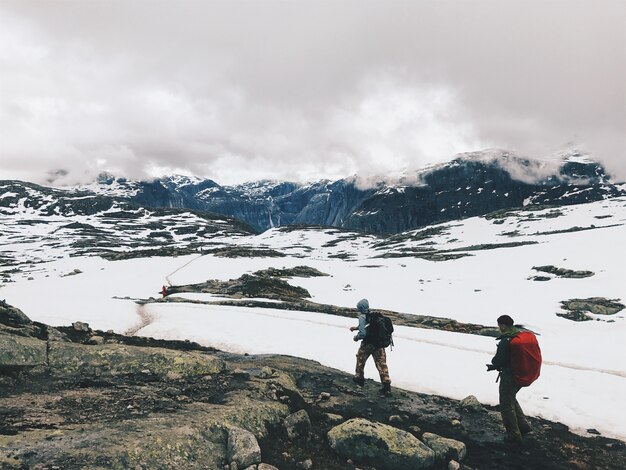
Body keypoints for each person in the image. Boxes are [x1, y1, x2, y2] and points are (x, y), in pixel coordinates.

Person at [488, 314, 533, 445]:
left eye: (499, 325)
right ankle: (524, 427)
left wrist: (494, 364)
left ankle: (513, 434)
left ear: (502, 325)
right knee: (511, 397)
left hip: (510, 376)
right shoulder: (520, 334)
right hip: (521, 374)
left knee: (506, 404)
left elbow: (498, 360)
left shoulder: (506, 340)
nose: (499, 328)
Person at [349, 298, 392, 394]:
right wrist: (356, 328)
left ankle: (359, 379)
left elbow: (363, 333)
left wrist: (356, 337)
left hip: (368, 344)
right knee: (381, 363)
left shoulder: (362, 317)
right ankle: (386, 385)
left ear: (360, 308)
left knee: (360, 359)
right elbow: (367, 326)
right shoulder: (373, 315)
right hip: (379, 344)